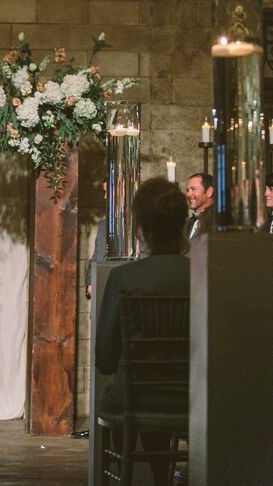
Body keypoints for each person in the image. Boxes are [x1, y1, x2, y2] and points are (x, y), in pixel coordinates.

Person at [96, 177, 189, 486]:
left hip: (134, 399)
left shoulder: (124, 278)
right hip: (187, 400)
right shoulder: (201, 277)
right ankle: (162, 477)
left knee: (130, 394)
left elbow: (105, 359)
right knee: (156, 394)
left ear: (141, 227)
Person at [184, 172, 214, 240]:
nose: (188, 194)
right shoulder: (187, 224)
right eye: (187, 190)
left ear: (209, 192)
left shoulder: (217, 222)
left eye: (193, 189)